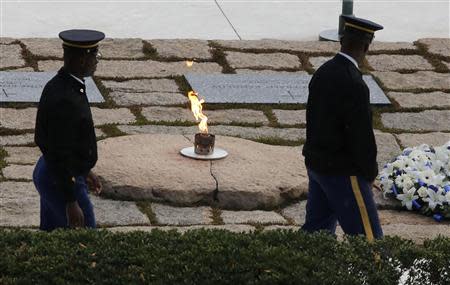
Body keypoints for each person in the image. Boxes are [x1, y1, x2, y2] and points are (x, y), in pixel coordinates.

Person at [301, 16, 384, 241]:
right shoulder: (355, 84)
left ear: (341, 40)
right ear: (366, 47)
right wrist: (369, 173)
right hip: (344, 173)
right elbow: (361, 137)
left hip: (317, 166)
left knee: (316, 235)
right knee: (369, 241)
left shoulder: (323, 71)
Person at [33, 29, 105, 231]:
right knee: (86, 239)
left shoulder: (63, 84)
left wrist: (85, 170)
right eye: (95, 55)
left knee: (52, 236)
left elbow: (67, 141)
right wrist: (71, 202)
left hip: (52, 171)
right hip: (60, 179)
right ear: (82, 60)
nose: (97, 61)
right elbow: (60, 152)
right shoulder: (66, 100)